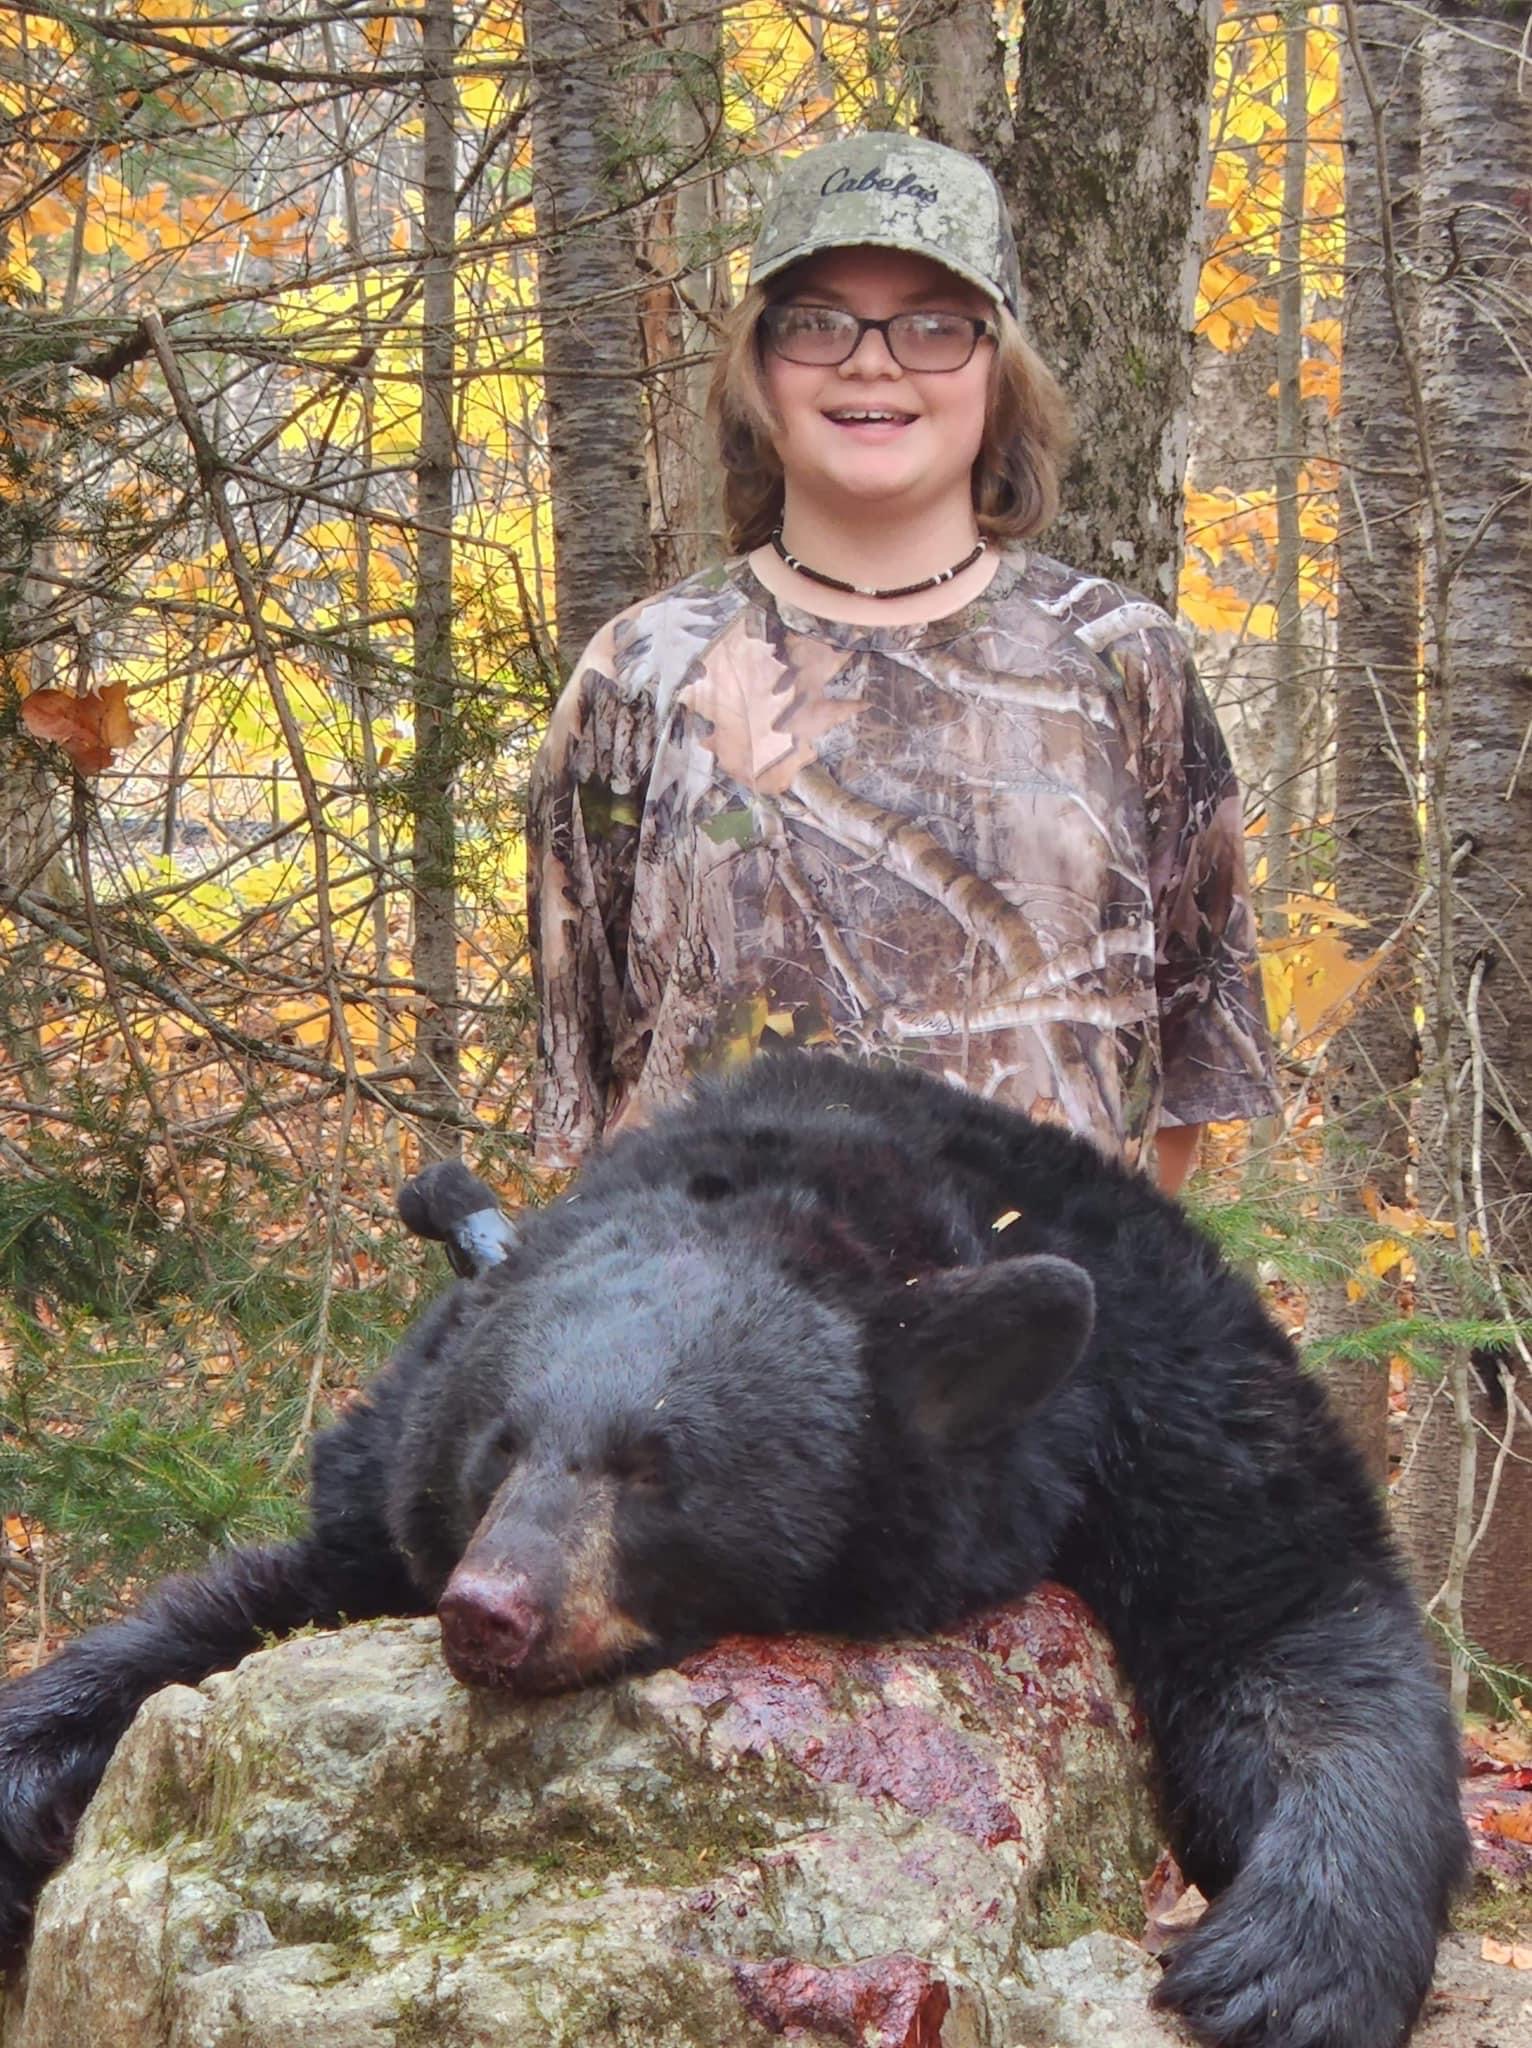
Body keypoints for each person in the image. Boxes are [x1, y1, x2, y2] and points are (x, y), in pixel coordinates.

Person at [526, 132, 1278, 1191]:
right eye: (816, 322)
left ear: (997, 368)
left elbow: (1185, 1073)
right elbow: (584, 1082)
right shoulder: (640, 673)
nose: (870, 362)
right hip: (719, 1291)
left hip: (1041, 1292)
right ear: (757, 367)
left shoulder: (1119, 660)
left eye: (932, 326)